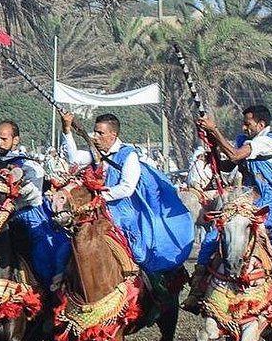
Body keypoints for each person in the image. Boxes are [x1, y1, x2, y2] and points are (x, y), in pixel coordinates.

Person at [60, 111, 192, 275]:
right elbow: (73, 159)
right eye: (95, 132)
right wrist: (66, 129)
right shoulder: (96, 153)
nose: (95, 137)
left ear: (112, 135)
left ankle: (149, 286)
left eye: (100, 133)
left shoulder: (128, 155)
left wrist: (100, 196)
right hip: (96, 214)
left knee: (139, 256)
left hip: (122, 216)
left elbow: (126, 187)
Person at [186, 105, 272, 304]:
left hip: (270, 202)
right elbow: (229, 164)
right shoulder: (246, 140)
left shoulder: (266, 142)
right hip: (247, 200)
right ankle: (199, 286)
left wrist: (214, 130)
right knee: (214, 235)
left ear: (261, 124)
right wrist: (212, 150)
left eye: (248, 124)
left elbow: (235, 155)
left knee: (269, 237)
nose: (244, 128)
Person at [0, 120, 71, 286]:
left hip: (28, 214)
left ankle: (50, 289)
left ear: (15, 140)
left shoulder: (29, 164)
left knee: (43, 251)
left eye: (4, 139)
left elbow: (33, 194)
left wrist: (11, 194)